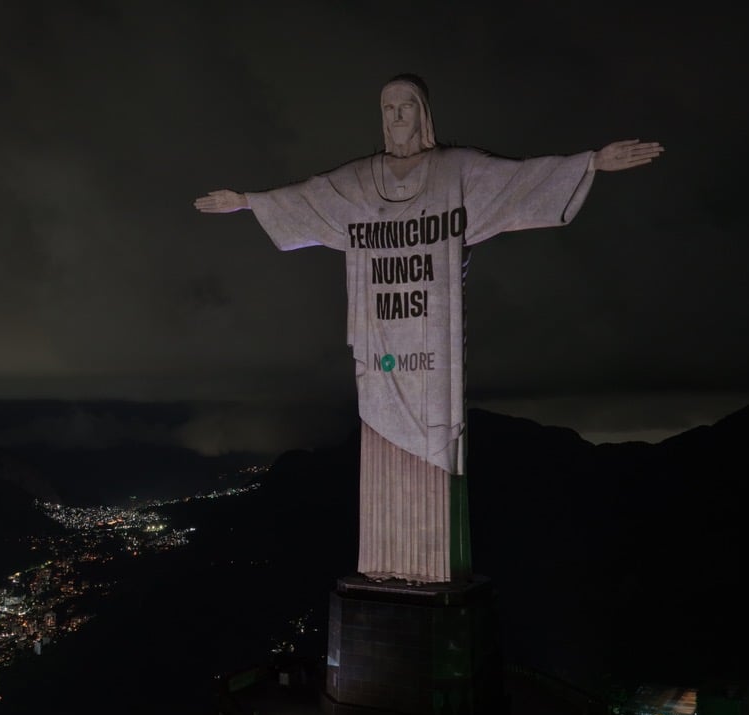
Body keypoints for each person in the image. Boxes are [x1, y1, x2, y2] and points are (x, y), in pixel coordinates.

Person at [194, 74, 662, 582]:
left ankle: (432, 567)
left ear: (423, 113)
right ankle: (386, 567)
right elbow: (308, 198)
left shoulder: (455, 170)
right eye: (388, 107)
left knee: (440, 451)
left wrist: (591, 162)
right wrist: (246, 201)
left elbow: (520, 180)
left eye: (405, 106)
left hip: (433, 350)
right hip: (379, 345)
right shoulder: (357, 181)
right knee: (377, 439)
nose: (396, 116)